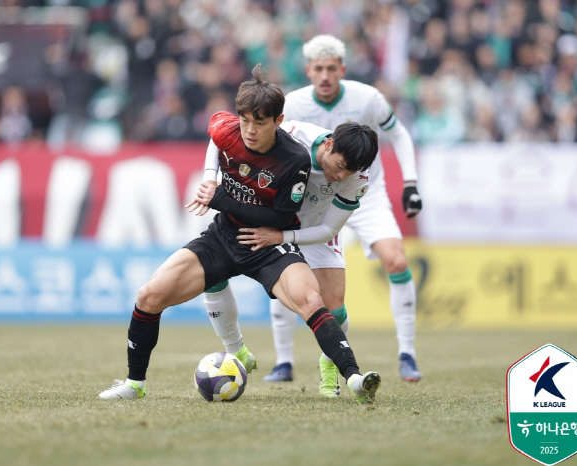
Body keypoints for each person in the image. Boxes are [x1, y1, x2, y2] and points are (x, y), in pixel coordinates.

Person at [98, 64, 381, 403]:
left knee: (315, 302)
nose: (249, 130)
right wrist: (209, 177)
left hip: (276, 238)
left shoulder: (295, 158)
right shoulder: (233, 127)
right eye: (245, 120)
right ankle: (134, 384)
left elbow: (286, 218)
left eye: (259, 123)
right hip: (226, 235)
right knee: (148, 296)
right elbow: (218, 139)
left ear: (276, 123)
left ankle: (352, 379)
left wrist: (223, 200)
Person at [263, 34, 423, 384]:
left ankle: (407, 353)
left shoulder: (368, 98)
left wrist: (410, 182)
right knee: (280, 270)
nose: (324, 76)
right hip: (307, 200)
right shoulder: (294, 105)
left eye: (331, 69)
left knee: (395, 260)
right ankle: (283, 361)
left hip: (363, 192)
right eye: (318, 69)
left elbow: (401, 136)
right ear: (308, 70)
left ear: (342, 69)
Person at [201, 119, 379, 397]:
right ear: (329, 143)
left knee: (333, 303)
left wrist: (281, 237)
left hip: (311, 231)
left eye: (350, 171)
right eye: (341, 166)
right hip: (263, 219)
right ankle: (237, 350)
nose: (341, 176)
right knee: (211, 274)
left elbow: (329, 229)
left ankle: (330, 364)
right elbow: (221, 134)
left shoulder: (357, 179)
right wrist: (210, 176)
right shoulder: (294, 135)